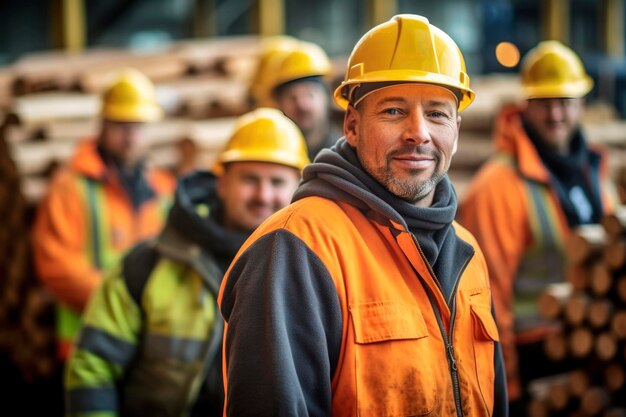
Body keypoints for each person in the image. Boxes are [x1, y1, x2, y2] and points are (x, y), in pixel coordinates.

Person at [219, 14, 507, 417]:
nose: (418, 133)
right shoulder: (296, 249)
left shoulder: (468, 254)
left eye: (437, 113)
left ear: (456, 130)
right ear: (352, 126)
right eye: (393, 111)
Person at [64, 108, 309, 417]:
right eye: (250, 179)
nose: (263, 195)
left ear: (298, 189)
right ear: (221, 184)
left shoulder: (314, 273)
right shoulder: (147, 265)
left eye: (277, 182)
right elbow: (92, 365)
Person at [458, 40, 618, 412]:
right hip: (533, 361)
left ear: (581, 104)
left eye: (565, 102)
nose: (556, 115)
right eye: (545, 104)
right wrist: (507, 385)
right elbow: (489, 296)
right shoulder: (498, 185)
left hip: (592, 351)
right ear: (526, 106)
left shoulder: (593, 169)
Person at [32, 68, 176, 361]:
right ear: (103, 125)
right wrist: (122, 304)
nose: (130, 137)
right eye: (121, 126)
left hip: (146, 346)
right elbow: (56, 265)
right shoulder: (69, 188)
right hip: (86, 345)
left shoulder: (163, 188)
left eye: (137, 126)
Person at [266, 40, 342, 159]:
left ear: (327, 97)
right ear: (279, 104)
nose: (302, 105)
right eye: (292, 97)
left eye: (310, 95)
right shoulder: (271, 154)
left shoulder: (346, 155)